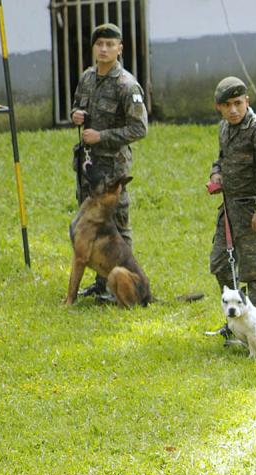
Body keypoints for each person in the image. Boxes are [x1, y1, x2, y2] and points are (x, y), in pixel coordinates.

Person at [70, 23, 147, 300]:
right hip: (89, 168)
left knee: (117, 227)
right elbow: (78, 107)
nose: (104, 49)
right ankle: (102, 283)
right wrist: (75, 116)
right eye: (99, 44)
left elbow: (139, 129)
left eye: (110, 44)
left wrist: (101, 136)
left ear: (119, 49)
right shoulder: (87, 78)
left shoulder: (127, 85)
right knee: (91, 225)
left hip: (113, 169)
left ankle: (128, 287)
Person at [208, 76, 256, 342]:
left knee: (254, 273)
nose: (233, 110)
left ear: (247, 101)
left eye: (238, 103)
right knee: (220, 264)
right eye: (227, 105)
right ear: (219, 107)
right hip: (229, 211)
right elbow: (220, 159)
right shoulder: (224, 127)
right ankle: (235, 322)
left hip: (253, 211)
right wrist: (216, 174)